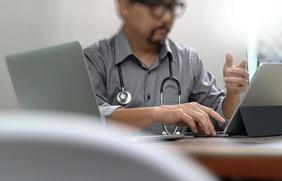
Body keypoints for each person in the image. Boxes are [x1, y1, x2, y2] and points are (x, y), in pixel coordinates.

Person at [84, 0, 249, 136]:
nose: (167, 18)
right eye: (156, 6)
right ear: (124, 6)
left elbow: (219, 119)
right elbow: (88, 119)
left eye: (171, 7)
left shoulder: (188, 60)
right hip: (115, 169)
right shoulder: (94, 59)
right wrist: (159, 114)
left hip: (174, 167)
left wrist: (233, 95)